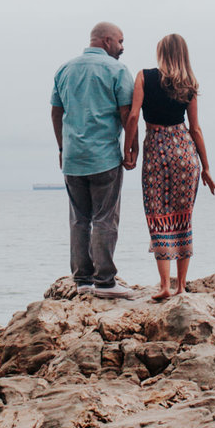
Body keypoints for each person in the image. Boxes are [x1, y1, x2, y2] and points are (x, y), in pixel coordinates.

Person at [123, 33, 215, 301]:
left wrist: (129, 150)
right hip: (185, 150)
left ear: (161, 52)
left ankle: (165, 285)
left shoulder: (144, 76)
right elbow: (195, 129)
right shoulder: (189, 84)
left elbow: (132, 116)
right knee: (182, 217)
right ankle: (181, 286)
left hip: (157, 148)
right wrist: (206, 167)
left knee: (158, 216)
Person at [51, 21, 136, 298]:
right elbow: (127, 113)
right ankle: (105, 282)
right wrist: (131, 149)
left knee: (79, 219)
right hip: (104, 158)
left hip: (74, 158)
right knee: (104, 218)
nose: (123, 48)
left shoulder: (64, 69)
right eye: (121, 42)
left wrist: (62, 147)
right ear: (107, 40)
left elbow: (56, 112)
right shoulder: (117, 70)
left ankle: (83, 280)